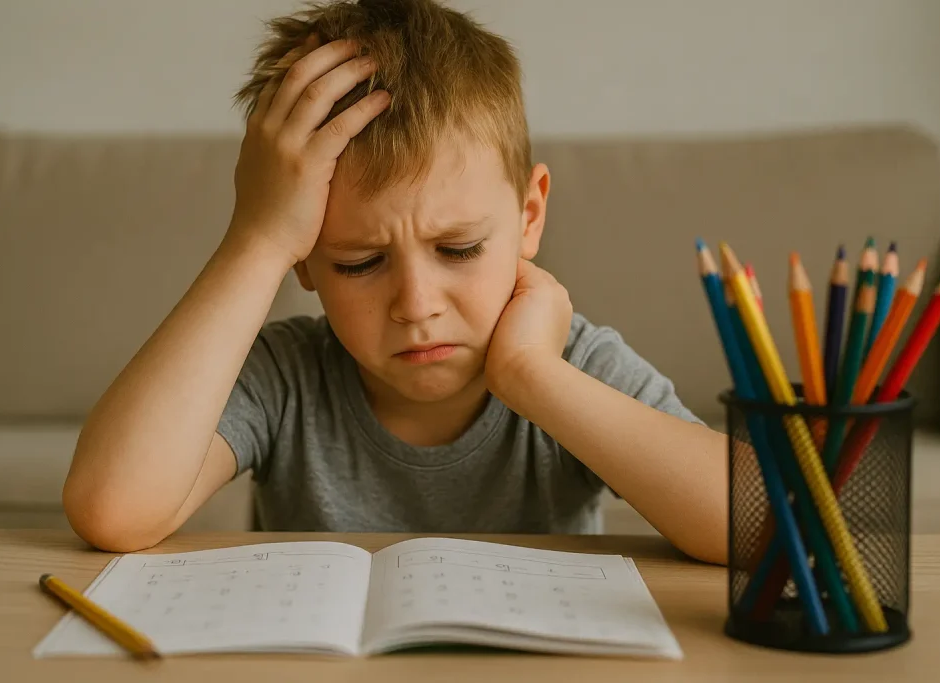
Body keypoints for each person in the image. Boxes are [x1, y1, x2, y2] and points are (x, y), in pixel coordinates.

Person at [63, 0, 728, 564]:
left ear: (529, 216)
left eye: (459, 248)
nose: (416, 306)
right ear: (304, 258)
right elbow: (113, 509)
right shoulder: (286, 378)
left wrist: (531, 374)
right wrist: (258, 238)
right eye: (359, 263)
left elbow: (762, 525)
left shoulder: (573, 363)